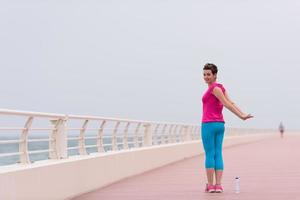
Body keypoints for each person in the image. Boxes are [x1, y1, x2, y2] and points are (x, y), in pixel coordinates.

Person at [201, 63, 253, 193]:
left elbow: (228, 105)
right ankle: (218, 185)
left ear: (215, 75)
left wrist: (241, 116)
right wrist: (242, 114)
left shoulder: (214, 88)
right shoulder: (221, 88)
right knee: (218, 153)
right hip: (220, 125)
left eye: (209, 74)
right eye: (204, 74)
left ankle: (211, 185)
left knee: (210, 154)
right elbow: (231, 102)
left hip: (208, 124)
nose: (206, 77)